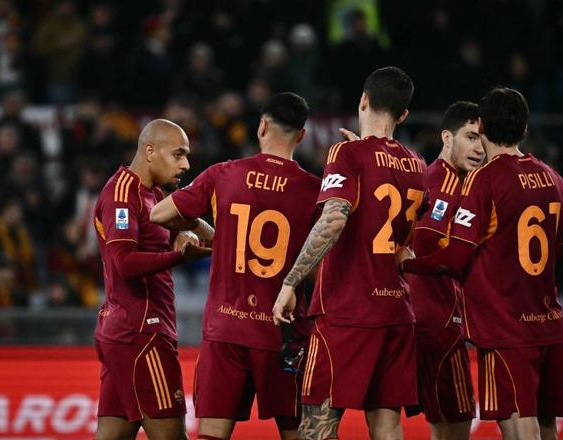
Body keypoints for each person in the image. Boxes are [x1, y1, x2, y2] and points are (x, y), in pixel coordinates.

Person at [402, 88, 563, 440]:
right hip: (548, 321)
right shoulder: (552, 177)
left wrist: (408, 264)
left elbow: (455, 256)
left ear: (484, 127)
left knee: (519, 425)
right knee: (547, 424)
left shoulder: (483, 179)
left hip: (505, 324)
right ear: (525, 128)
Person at [150, 93, 321, 440]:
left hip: (226, 330)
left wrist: (204, 227)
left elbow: (159, 214)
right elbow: (323, 266)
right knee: (298, 435)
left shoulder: (224, 175)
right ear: (301, 135)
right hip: (283, 334)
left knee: (212, 435)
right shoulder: (314, 191)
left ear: (262, 126)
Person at [273, 67, 426, 440]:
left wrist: (291, 281)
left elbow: (334, 220)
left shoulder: (346, 152)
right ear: (403, 114)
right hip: (396, 312)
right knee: (387, 425)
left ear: (363, 100)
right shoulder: (417, 164)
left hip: (348, 311)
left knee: (317, 427)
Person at [93, 119, 211, 440]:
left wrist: (190, 233)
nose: (185, 165)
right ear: (149, 151)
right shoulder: (122, 194)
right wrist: (179, 257)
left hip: (129, 333)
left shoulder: (155, 194)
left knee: (113, 435)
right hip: (142, 334)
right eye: (178, 154)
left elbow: (186, 229)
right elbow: (124, 262)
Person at [404, 102, 484, 440]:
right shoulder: (446, 182)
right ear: (447, 138)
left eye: (482, 140)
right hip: (439, 319)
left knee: (440, 422)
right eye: (471, 137)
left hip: (423, 313)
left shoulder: (431, 176)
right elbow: (425, 241)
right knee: (459, 418)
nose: (479, 148)